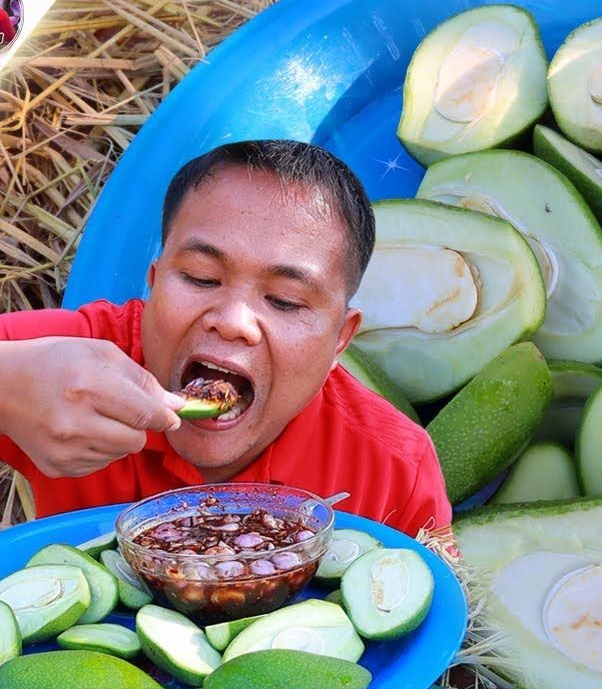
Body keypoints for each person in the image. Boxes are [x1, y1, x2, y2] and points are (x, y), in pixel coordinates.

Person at [0, 139, 452, 537]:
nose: (234, 321)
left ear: (340, 339)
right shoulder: (77, 359)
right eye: (200, 278)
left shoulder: (394, 470)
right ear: (154, 283)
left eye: (285, 300)